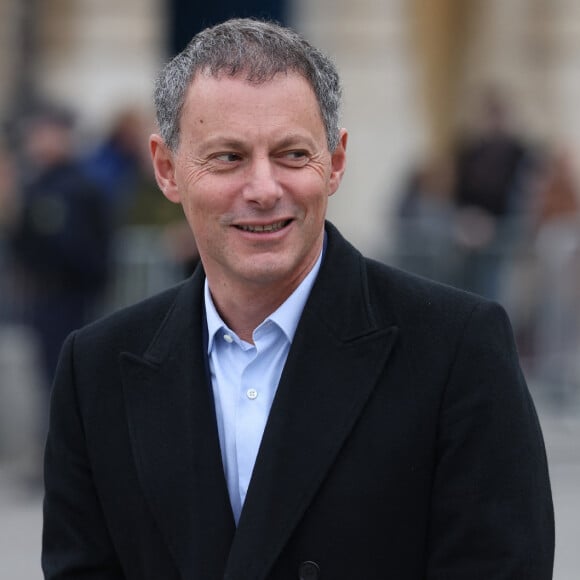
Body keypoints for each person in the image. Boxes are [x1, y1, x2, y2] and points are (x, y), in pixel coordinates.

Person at [42, 18, 554, 580]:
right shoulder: (95, 370)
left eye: (291, 154)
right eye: (228, 157)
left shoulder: (458, 348)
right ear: (167, 170)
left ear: (334, 162)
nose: (263, 189)